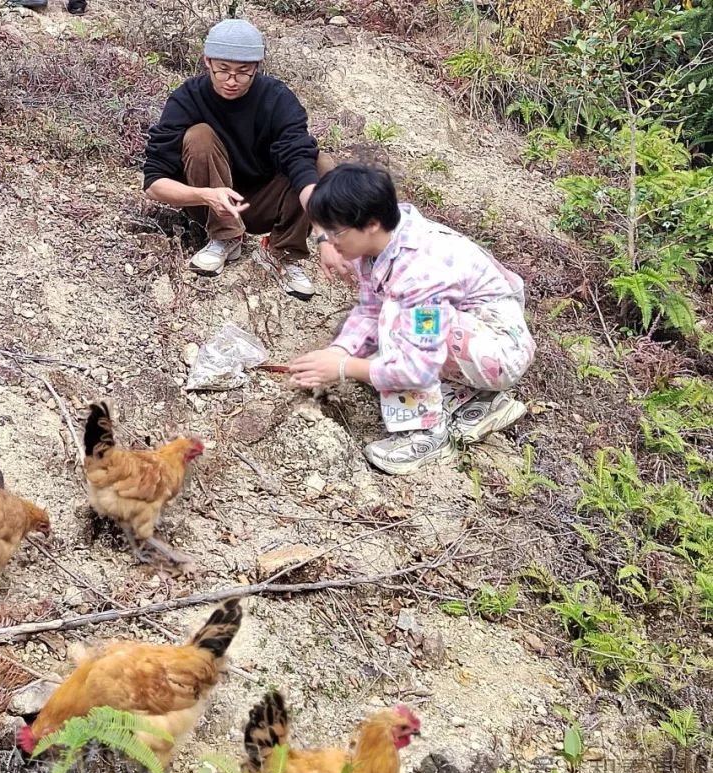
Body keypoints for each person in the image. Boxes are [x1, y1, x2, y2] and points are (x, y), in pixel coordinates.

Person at [288, 163, 536, 476]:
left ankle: (428, 434)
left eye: (336, 232)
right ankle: (479, 401)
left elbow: (416, 365)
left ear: (372, 223)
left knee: (395, 326)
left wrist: (341, 368)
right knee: (371, 335)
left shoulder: (420, 271)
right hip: (472, 334)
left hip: (499, 348)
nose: (331, 243)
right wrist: (339, 352)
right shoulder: (380, 246)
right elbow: (368, 310)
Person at [142, 18, 334, 301]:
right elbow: (153, 183)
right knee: (198, 135)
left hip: (261, 203)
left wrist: (324, 232)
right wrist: (206, 195)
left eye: (243, 73)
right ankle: (224, 238)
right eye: (223, 71)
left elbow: (298, 156)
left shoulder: (277, 98)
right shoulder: (187, 98)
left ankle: (281, 252)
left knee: (320, 163)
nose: (231, 81)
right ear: (207, 62)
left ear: (257, 67)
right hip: (207, 200)